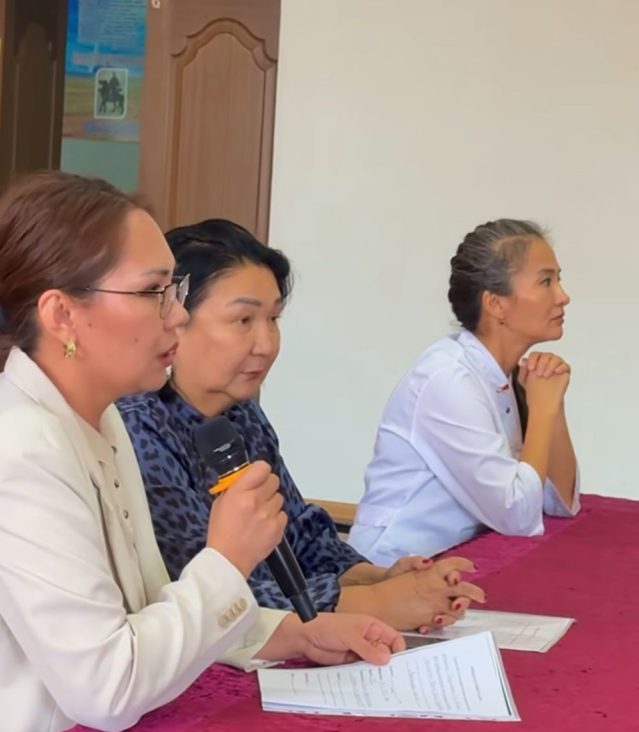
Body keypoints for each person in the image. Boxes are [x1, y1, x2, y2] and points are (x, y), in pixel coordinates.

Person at [0, 172, 405, 732]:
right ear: (62, 314)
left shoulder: (100, 420)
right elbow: (107, 687)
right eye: (153, 292)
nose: (177, 316)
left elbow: (152, 602)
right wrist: (228, 557)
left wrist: (294, 634)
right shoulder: (21, 449)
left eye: (177, 289)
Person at [117, 220, 484, 634]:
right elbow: (202, 589)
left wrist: (376, 578)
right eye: (243, 320)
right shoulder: (136, 427)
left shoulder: (241, 415)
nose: (266, 344)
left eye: (273, 318)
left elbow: (301, 534)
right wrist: (378, 604)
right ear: (175, 319)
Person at [349, 219, 580, 564]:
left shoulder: (505, 373)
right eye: (546, 281)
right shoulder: (448, 380)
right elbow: (517, 515)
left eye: (558, 279)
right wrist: (543, 410)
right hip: (392, 567)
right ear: (495, 304)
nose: (563, 296)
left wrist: (552, 404)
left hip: (458, 561)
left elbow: (560, 504)